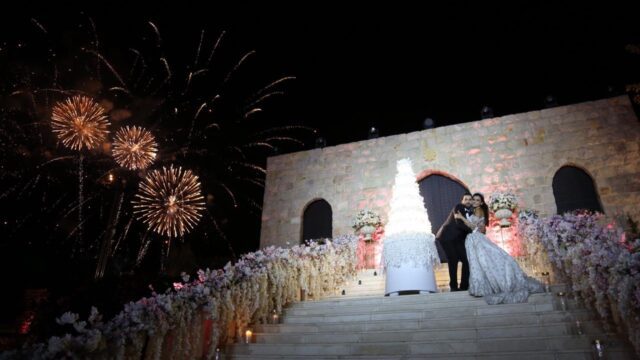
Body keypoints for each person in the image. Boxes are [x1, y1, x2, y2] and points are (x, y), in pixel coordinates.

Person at [455, 193, 543, 304]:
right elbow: (482, 229)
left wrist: (461, 217)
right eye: (474, 200)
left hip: (475, 239)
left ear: (481, 202)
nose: (475, 202)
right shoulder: (478, 211)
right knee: (481, 263)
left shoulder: (478, 210)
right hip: (476, 238)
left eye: (477, 200)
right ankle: (484, 286)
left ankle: (484, 287)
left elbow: (474, 227)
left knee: (482, 262)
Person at [435, 192, 473, 291]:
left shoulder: (471, 212)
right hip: (447, 237)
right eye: (466, 199)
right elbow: (459, 223)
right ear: (462, 201)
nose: (468, 201)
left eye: (470, 199)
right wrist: (473, 230)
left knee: (466, 260)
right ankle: (454, 286)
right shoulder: (458, 206)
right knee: (453, 260)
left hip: (457, 239)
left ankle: (464, 286)